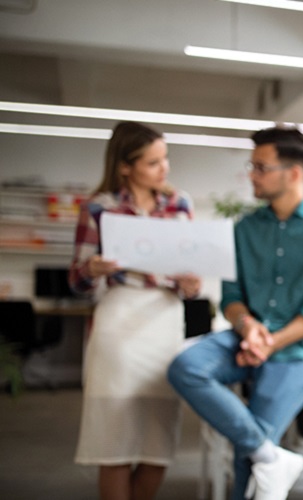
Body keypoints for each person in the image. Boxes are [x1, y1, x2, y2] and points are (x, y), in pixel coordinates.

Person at [167, 127, 303, 500]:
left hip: (299, 350)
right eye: (252, 166)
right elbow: (231, 297)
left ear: (294, 173)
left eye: (260, 167)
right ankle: (272, 456)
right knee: (186, 367)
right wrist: (249, 326)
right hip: (245, 335)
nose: (251, 175)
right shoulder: (246, 229)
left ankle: (261, 453)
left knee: (246, 454)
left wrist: (269, 343)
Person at [71, 121, 202, 500]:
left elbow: (187, 269)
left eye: (165, 159)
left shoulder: (180, 204)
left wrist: (190, 284)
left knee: (156, 443)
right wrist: (92, 269)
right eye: (153, 162)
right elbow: (77, 280)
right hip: (118, 324)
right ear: (125, 166)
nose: (165, 169)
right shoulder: (98, 208)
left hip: (164, 324)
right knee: (113, 440)